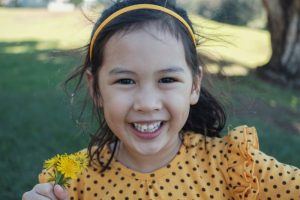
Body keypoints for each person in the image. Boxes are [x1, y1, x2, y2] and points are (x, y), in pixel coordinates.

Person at [22, 0, 300, 199]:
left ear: (194, 86)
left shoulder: (235, 166)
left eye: (167, 80)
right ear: (95, 88)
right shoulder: (69, 182)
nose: (147, 103)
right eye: (125, 81)